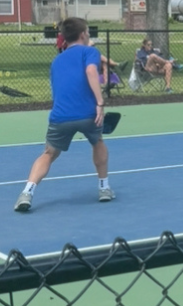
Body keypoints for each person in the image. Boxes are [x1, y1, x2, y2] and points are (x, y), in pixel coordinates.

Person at [15, 17, 112, 212]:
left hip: (60, 116)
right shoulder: (90, 51)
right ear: (84, 34)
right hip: (88, 115)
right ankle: (104, 188)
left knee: (49, 153)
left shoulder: (57, 60)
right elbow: (92, 71)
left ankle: (27, 192)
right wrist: (100, 102)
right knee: (98, 141)